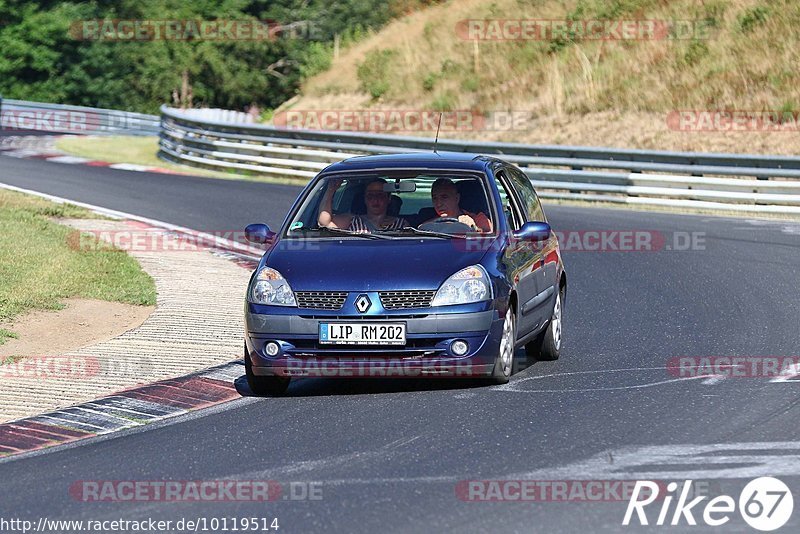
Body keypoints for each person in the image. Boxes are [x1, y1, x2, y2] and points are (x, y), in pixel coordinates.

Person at [318, 178, 408, 233]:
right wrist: (330, 190)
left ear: (389, 199)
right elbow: (324, 223)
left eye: (380, 195)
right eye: (370, 195)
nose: (375, 200)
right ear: (364, 199)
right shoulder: (352, 220)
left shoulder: (401, 224)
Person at [424, 178, 492, 233]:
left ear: (457, 198)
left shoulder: (478, 219)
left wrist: (473, 228)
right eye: (435, 198)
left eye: (444, 197)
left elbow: (491, 241)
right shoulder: (430, 224)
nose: (438, 204)